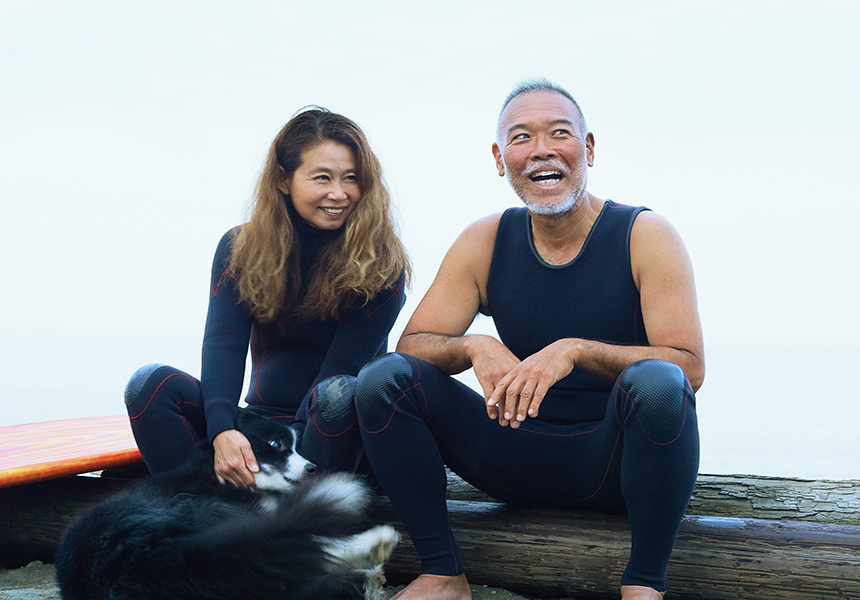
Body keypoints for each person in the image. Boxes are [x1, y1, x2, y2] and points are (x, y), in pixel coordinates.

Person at [353, 79, 704, 600]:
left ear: (587, 149)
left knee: (658, 382)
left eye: (559, 133)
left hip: (610, 465)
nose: (541, 149)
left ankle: (644, 584)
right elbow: (414, 346)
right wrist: (476, 345)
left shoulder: (644, 235)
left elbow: (688, 368)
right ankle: (443, 572)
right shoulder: (486, 240)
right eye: (521, 138)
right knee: (382, 379)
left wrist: (574, 350)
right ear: (501, 158)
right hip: (510, 456)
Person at [125, 107, 411, 488]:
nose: (339, 193)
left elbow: (338, 374)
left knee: (337, 395)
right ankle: (198, 509)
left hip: (333, 434)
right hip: (260, 425)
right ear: (283, 179)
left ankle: (267, 508)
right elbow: (223, 346)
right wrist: (224, 432)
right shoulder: (241, 247)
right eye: (322, 178)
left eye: (351, 179)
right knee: (150, 385)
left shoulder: (380, 265)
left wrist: (281, 457)